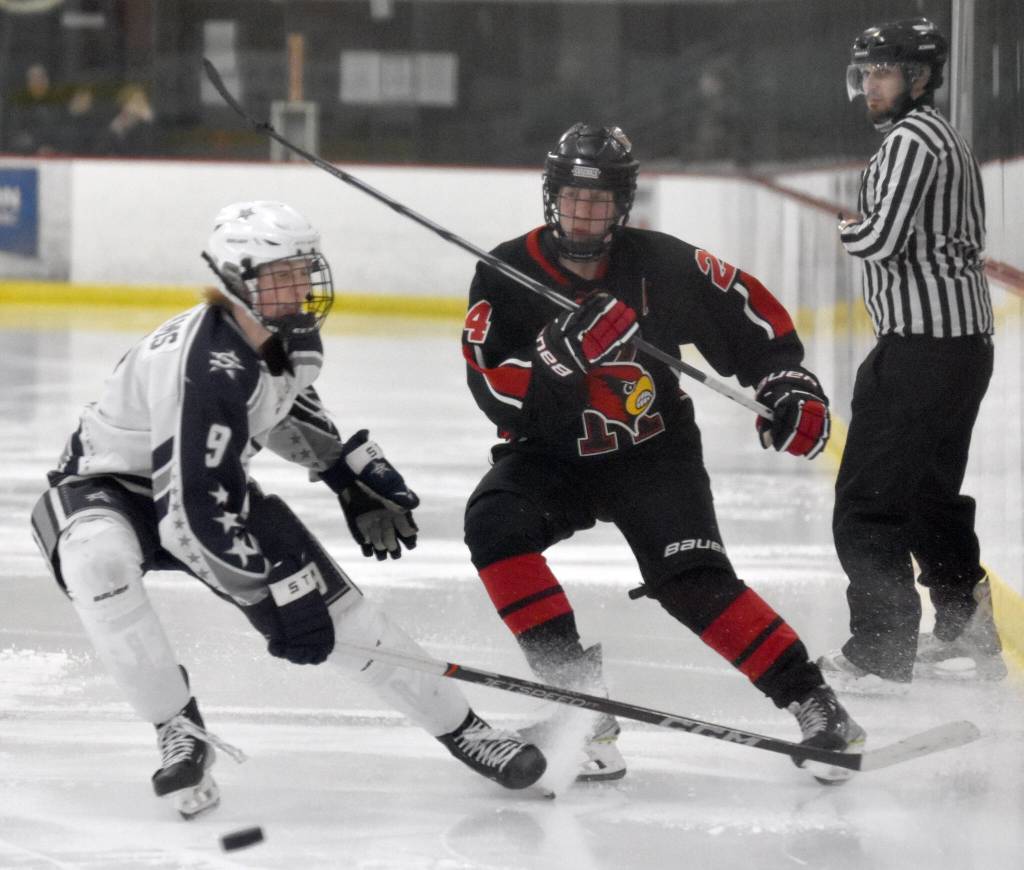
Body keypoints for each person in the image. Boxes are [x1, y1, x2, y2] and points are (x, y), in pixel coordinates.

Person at [30, 201, 545, 820]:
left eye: (303, 270)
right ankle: (176, 724)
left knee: (347, 619)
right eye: (280, 275)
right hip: (105, 488)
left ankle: (466, 730)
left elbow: (281, 402)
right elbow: (186, 512)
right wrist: (274, 599)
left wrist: (343, 475)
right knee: (97, 562)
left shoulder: (280, 333)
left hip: (204, 489)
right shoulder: (203, 366)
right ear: (236, 280)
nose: (299, 287)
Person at [460, 123, 864, 785]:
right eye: (572, 198)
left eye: (598, 201)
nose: (583, 214)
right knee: (494, 527)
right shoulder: (505, 272)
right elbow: (492, 391)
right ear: (550, 197)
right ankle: (581, 708)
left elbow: (747, 313)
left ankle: (817, 705)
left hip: (652, 451)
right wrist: (557, 362)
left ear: (624, 204)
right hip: (550, 453)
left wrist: (785, 379)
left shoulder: (658, 265)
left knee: (692, 581)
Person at [823, 18, 1004, 692]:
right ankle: (964, 626)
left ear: (920, 78)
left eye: (884, 72)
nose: (871, 85)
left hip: (922, 349)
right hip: (959, 348)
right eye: (866, 73)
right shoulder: (939, 136)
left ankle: (880, 647)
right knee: (929, 494)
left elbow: (880, 239)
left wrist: (848, 228)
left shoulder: (911, 140)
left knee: (866, 503)